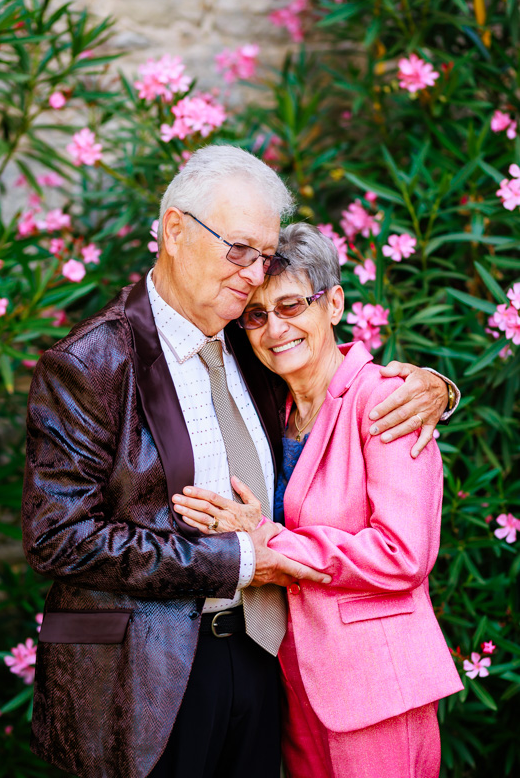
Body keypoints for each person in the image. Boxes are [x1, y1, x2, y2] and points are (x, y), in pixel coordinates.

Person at [22, 146, 457, 778]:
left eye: (263, 256)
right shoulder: (91, 361)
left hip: (259, 657)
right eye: (239, 251)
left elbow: (334, 375)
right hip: (141, 671)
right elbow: (57, 536)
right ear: (175, 231)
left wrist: (436, 388)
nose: (255, 277)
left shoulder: (249, 343)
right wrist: (240, 559)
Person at [173, 222, 463, 778]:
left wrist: (270, 540)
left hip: (375, 689)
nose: (274, 328)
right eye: (256, 315)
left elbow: (403, 554)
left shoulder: (386, 401)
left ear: (333, 303)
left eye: (291, 306)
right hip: (296, 680)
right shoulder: (274, 410)